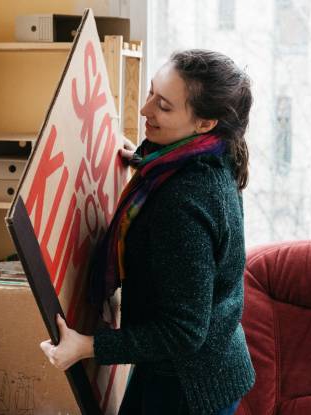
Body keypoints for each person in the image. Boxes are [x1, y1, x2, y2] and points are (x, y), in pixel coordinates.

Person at [39, 49, 255, 415]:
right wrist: (143, 160)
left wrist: (88, 346)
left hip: (188, 384)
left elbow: (184, 332)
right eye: (152, 92)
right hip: (191, 366)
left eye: (164, 107)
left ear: (204, 124)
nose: (145, 110)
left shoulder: (183, 202)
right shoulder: (206, 156)